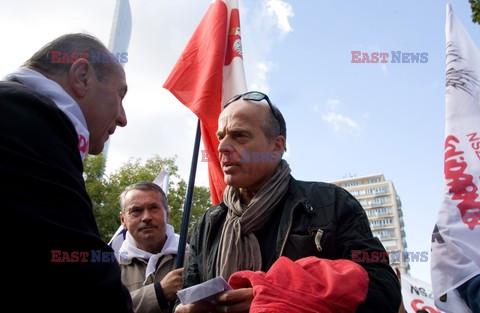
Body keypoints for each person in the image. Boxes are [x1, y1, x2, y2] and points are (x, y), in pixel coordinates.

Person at [174, 91, 402, 312]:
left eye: (239, 135)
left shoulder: (332, 203)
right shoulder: (208, 223)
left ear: (277, 146)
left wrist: (279, 297)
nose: (222, 147)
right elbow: (185, 296)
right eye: (221, 137)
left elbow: (383, 289)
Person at [0, 34, 131, 312]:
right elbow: (84, 282)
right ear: (82, 77)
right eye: (120, 95)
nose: (123, 118)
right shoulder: (28, 116)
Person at [118, 182, 185, 313]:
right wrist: (159, 292)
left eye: (154, 208)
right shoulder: (109, 264)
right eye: (136, 211)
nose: (147, 217)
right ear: (123, 220)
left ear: (167, 215)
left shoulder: (195, 256)